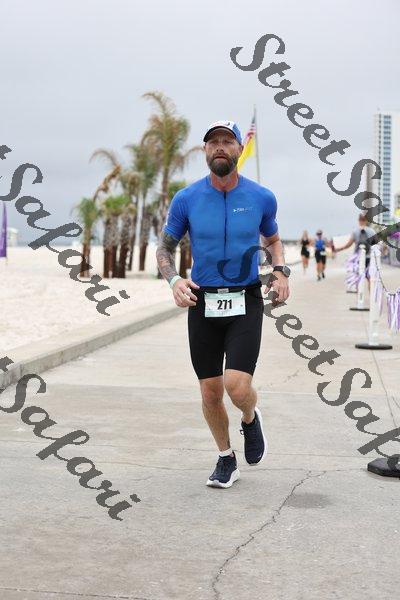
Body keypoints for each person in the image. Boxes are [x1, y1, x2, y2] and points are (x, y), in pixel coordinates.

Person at [156, 120, 290, 489]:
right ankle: (225, 457)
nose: (219, 146)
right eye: (212, 141)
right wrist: (174, 280)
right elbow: (165, 248)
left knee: (237, 386)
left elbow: (274, 239)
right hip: (203, 301)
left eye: (227, 141)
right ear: (205, 150)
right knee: (210, 392)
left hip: (245, 299)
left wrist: (281, 272)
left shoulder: (262, 197)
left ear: (239, 149)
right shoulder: (186, 199)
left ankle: (250, 416)